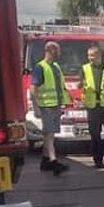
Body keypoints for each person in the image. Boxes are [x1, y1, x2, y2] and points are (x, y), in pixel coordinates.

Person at [31, 41, 70, 175]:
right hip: (46, 106)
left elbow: (60, 87)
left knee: (51, 133)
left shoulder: (56, 66)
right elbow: (33, 89)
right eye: (57, 50)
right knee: (49, 134)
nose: (59, 53)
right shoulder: (40, 67)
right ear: (51, 50)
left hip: (55, 105)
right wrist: (36, 108)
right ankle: (54, 161)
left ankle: (45, 160)